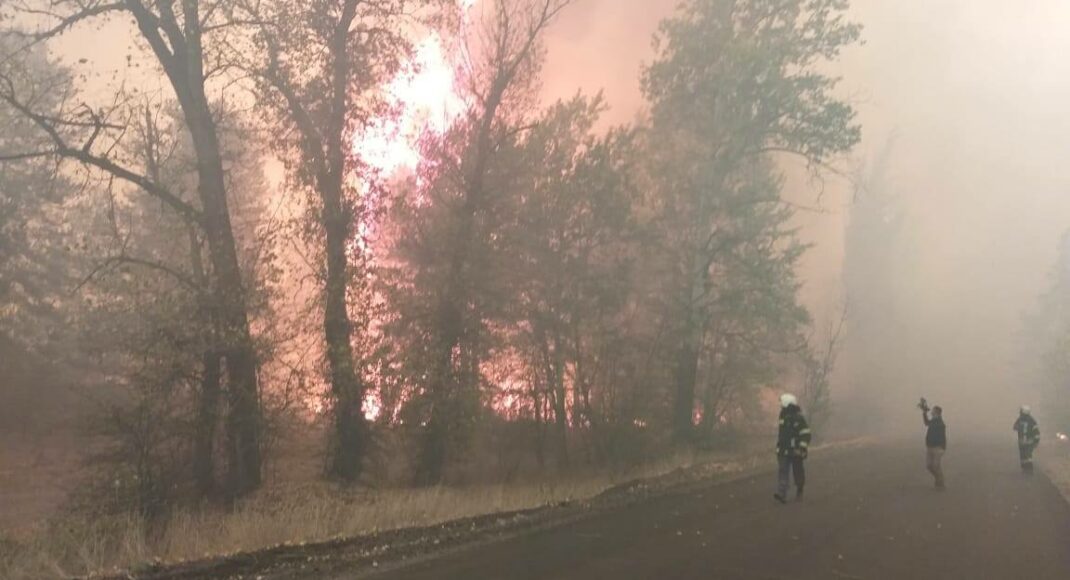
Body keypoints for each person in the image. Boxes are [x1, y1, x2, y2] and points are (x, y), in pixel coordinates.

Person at [774, 393, 811, 504]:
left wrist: (802, 447)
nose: (781, 406)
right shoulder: (782, 416)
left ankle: (800, 489)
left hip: (795, 450)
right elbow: (782, 434)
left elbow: (806, 433)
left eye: (782, 403)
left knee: (797, 471)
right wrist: (779, 447)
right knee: (783, 471)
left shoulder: (799, 418)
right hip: (783, 450)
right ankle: (782, 494)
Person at [921, 403, 947, 489]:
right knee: (929, 465)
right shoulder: (933, 421)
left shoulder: (940, 423)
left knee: (936, 465)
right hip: (930, 447)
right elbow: (926, 423)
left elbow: (942, 437)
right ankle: (938, 478)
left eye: (933, 411)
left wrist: (943, 448)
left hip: (938, 448)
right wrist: (924, 412)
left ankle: (941, 483)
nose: (931, 412)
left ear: (937, 412)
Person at [1012, 406, 1041, 474]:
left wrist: (1036, 441)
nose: (1020, 413)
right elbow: (1015, 427)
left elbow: (1036, 432)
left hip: (1028, 442)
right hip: (1022, 442)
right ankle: (1025, 470)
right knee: (1023, 457)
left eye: (1021, 412)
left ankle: (1029, 470)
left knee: (1028, 457)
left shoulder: (1031, 421)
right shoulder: (1021, 419)